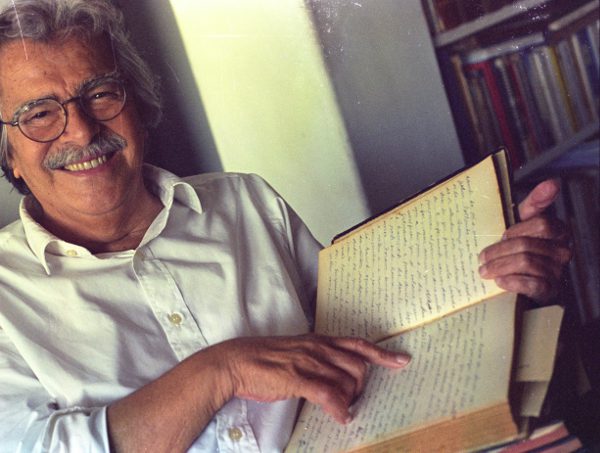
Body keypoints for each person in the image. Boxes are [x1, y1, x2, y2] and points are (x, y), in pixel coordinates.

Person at [0, 1, 571, 452]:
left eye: (100, 93)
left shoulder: (245, 201)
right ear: (9, 156)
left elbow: (367, 327)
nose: (80, 131)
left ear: (137, 105)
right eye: (39, 113)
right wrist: (218, 371)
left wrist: (492, 269)